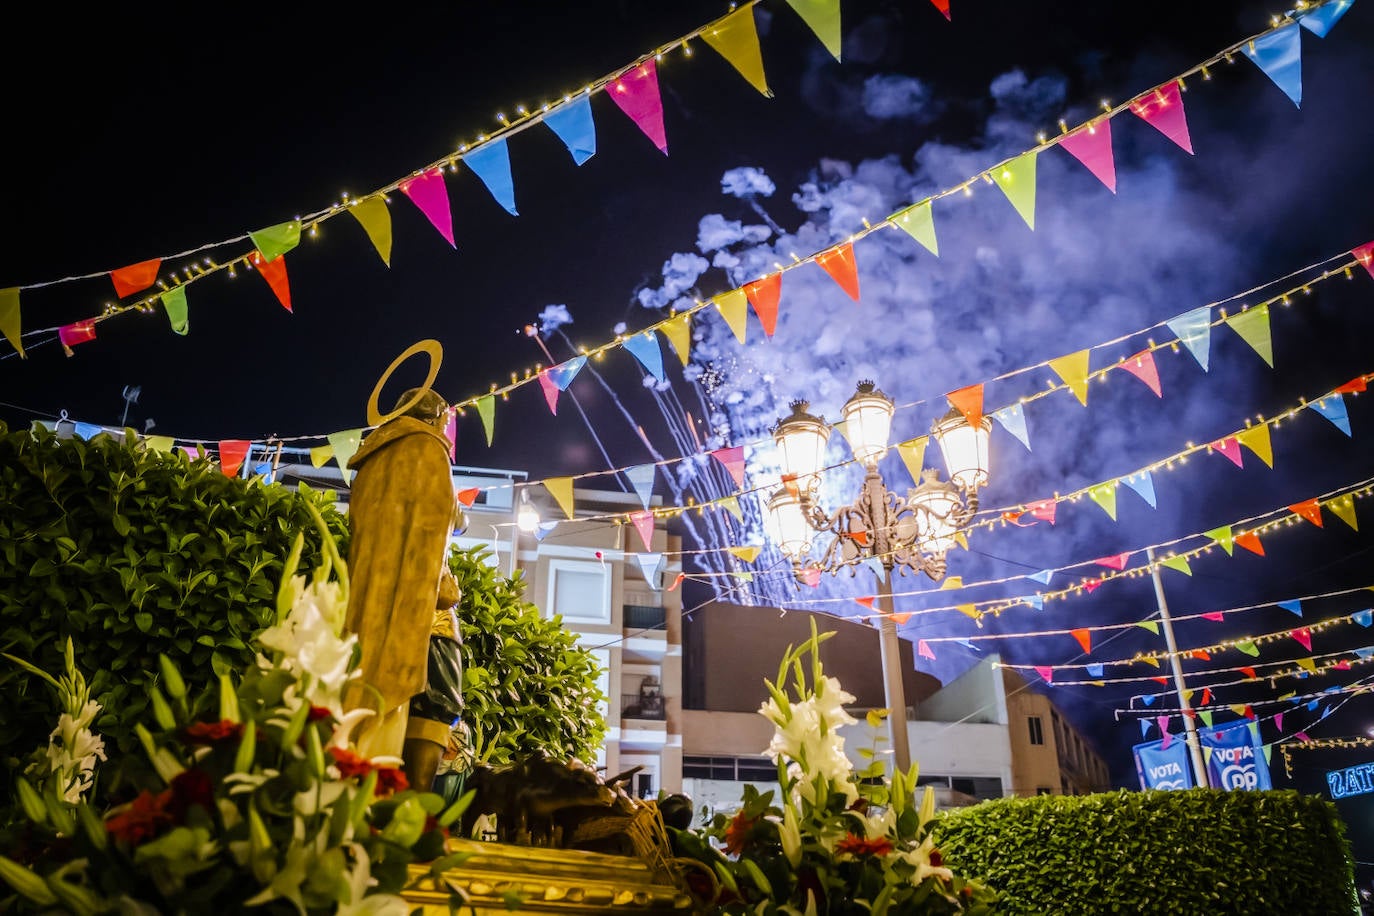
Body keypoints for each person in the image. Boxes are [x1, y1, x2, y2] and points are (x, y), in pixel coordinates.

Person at [343, 387, 461, 765]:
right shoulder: (428, 450)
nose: (446, 425)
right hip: (414, 605)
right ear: (434, 415)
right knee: (427, 699)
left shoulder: (372, 459)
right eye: (444, 417)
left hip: (368, 600)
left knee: (363, 703)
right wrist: (442, 587)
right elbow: (431, 534)